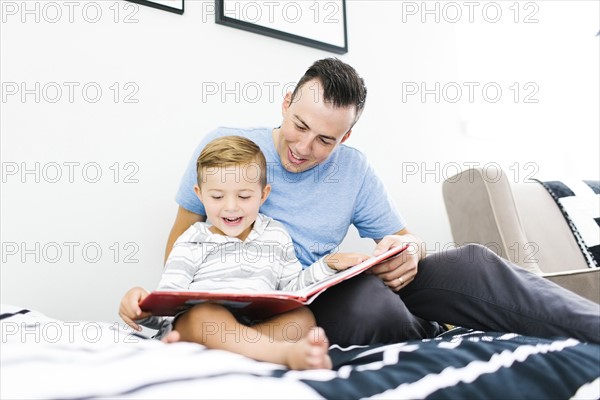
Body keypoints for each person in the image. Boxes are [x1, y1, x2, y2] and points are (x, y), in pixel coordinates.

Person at [165, 58, 599, 345]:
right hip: (282, 303)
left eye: (325, 140)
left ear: (346, 136)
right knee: (370, 305)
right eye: (299, 125)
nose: (303, 147)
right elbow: (183, 234)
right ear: (285, 103)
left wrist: (407, 252)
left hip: (324, 279)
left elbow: (403, 237)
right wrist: (179, 308)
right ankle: (432, 334)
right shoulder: (228, 149)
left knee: (472, 261)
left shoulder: (354, 169)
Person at [119, 135, 369, 370]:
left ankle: (230, 352)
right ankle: (282, 354)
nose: (230, 207)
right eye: (217, 196)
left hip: (253, 328)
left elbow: (292, 291)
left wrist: (328, 265)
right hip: (203, 327)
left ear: (263, 195)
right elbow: (167, 305)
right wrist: (142, 310)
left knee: (301, 318)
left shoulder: (276, 235)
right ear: (200, 195)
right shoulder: (193, 240)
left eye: (244, 196)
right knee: (206, 315)